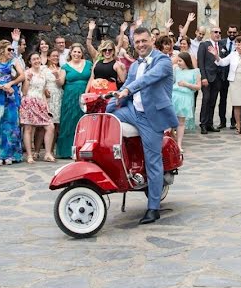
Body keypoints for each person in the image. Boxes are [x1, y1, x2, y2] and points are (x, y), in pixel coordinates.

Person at [107, 27, 179, 224]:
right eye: (137, 42)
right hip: (132, 111)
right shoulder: (134, 65)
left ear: (152, 39)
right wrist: (106, 105)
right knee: (106, 117)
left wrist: (128, 89)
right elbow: (124, 89)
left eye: (143, 41)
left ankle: (153, 207)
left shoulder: (163, 61)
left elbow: (146, 80)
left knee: (153, 161)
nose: (140, 45)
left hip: (151, 116)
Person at [0, 40, 25, 165]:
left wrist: (10, 84)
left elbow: (22, 75)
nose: (11, 52)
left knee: (11, 124)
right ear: (2, 50)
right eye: (9, 49)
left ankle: (11, 154)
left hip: (11, 96)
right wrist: (2, 86)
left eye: (12, 50)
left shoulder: (13, 62)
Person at [56, 44, 92, 158]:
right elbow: (61, 82)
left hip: (85, 94)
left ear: (82, 54)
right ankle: (68, 151)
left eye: (79, 52)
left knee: (84, 121)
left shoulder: (88, 64)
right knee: (69, 121)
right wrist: (56, 77)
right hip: (70, 96)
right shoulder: (65, 67)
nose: (76, 54)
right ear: (70, 53)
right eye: (74, 52)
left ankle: (83, 148)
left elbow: (93, 77)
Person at [21, 52, 56, 163]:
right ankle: (30, 155)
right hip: (29, 101)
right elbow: (24, 91)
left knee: (50, 126)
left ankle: (47, 153)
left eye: (38, 59)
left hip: (40, 102)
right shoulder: (27, 73)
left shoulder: (43, 73)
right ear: (30, 62)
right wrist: (28, 80)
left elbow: (43, 91)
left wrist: (46, 106)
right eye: (34, 59)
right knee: (28, 128)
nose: (36, 61)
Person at [197, 27, 226, 134]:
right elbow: (201, 62)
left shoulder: (222, 46)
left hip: (218, 78)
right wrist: (203, 77)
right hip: (207, 77)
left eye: (219, 32)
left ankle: (210, 123)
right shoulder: (204, 45)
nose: (218, 34)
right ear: (211, 33)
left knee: (213, 101)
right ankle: (203, 124)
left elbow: (222, 61)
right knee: (206, 100)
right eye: (215, 32)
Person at [172, 51, 200, 151]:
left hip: (186, 98)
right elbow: (172, 63)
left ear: (186, 61)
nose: (178, 62)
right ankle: (172, 140)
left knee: (181, 122)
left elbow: (198, 86)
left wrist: (186, 84)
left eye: (180, 61)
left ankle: (179, 144)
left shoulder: (195, 71)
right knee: (171, 120)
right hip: (174, 96)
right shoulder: (176, 69)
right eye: (178, 60)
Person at [226, 36, 241, 134]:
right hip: (235, 81)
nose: (239, 45)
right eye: (237, 43)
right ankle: (238, 126)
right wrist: (216, 56)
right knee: (236, 104)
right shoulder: (232, 55)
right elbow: (222, 62)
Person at [218, 25, 238, 129]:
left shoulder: (239, 43)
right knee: (223, 98)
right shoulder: (221, 42)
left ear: (237, 33)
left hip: (236, 75)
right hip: (223, 75)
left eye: (234, 32)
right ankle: (222, 121)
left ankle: (234, 121)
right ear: (227, 32)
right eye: (230, 32)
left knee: (236, 98)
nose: (232, 34)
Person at [45, 50, 65, 143]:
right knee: (44, 124)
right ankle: (36, 150)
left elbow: (60, 84)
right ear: (48, 57)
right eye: (53, 56)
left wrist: (57, 75)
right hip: (47, 97)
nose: (56, 58)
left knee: (56, 125)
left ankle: (51, 150)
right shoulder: (43, 69)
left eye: (57, 56)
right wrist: (44, 90)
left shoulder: (61, 69)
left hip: (57, 96)